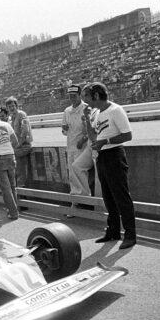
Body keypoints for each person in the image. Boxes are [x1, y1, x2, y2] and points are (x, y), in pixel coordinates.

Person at [86, 82, 136, 249]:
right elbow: (94, 137)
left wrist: (105, 141)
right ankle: (113, 230)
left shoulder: (115, 110)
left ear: (97, 96)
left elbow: (128, 135)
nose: (86, 101)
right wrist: (86, 120)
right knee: (108, 196)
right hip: (102, 155)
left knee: (121, 196)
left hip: (115, 155)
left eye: (88, 96)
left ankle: (130, 234)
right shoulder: (95, 113)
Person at [61, 84, 93, 217]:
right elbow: (63, 129)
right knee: (72, 176)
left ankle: (85, 202)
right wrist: (64, 129)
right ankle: (75, 203)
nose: (72, 98)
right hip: (71, 147)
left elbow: (91, 128)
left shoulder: (86, 109)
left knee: (80, 173)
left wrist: (83, 139)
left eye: (74, 96)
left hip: (83, 147)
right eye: (70, 96)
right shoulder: (67, 111)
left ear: (80, 95)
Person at [6, 96, 34, 188]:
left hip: (24, 145)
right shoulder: (11, 118)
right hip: (17, 146)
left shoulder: (21, 114)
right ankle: (17, 184)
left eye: (13, 106)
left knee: (14, 158)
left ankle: (20, 185)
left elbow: (25, 130)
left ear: (16, 106)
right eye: (9, 107)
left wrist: (19, 144)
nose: (11, 108)